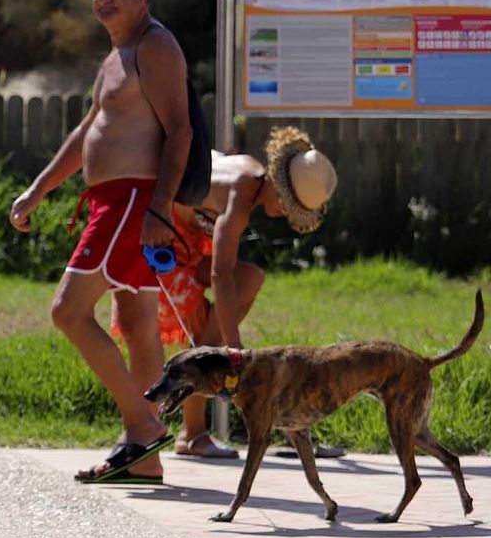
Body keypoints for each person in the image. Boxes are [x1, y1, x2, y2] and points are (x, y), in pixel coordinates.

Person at [10, 0, 194, 485]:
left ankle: (144, 426)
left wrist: (159, 207)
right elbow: (89, 129)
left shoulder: (155, 47)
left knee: (68, 311)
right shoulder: (116, 56)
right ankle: (148, 459)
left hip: (135, 202)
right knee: (138, 325)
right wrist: (39, 189)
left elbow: (180, 129)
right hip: (113, 202)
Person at [126, 128, 339, 458]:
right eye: (290, 207)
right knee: (205, 331)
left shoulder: (251, 175)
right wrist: (234, 345)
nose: (285, 215)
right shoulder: (241, 194)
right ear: (280, 191)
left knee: (250, 279)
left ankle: (193, 429)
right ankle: (191, 432)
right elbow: (221, 275)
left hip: (187, 243)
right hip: (157, 240)